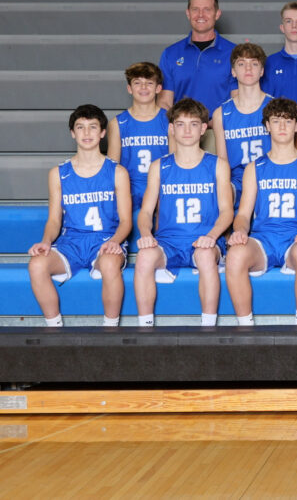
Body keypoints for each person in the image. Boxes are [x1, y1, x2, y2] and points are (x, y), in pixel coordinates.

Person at [225, 98, 297, 326]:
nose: (282, 126)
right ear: (267, 126)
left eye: (288, 121)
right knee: (235, 254)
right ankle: (246, 328)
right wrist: (240, 231)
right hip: (264, 239)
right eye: (276, 121)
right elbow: (243, 215)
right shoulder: (255, 167)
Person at [28, 105, 132, 327]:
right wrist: (45, 242)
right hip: (71, 243)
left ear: (102, 133)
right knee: (36, 264)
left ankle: (111, 330)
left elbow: (126, 221)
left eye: (93, 127)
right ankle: (54, 330)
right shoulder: (58, 173)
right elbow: (54, 220)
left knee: (110, 263)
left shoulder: (117, 172)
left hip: (105, 240)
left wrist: (115, 241)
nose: (86, 133)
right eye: (80, 127)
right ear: (72, 133)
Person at [133, 98, 233, 327]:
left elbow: (227, 211)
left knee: (205, 255)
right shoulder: (159, 167)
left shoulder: (218, 165)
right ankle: (145, 327)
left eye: (193, 124)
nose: (187, 130)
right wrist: (146, 234)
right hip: (168, 242)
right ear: (171, 128)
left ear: (204, 128)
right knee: (145, 256)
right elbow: (146, 212)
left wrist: (212, 236)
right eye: (180, 124)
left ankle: (209, 326)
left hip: (205, 239)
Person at [212, 43, 273, 203]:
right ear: (233, 71)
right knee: (219, 194)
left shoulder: (275, 108)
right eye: (241, 64)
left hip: (270, 178)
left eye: (254, 63)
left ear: (262, 71)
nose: (248, 68)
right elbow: (223, 163)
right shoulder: (221, 114)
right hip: (237, 182)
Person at [158, 0, 236, 114]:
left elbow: (237, 100)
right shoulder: (170, 54)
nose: (200, 15)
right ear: (188, 13)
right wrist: (181, 123)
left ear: (217, 14)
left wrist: (216, 122)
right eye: (195, 9)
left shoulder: (234, 53)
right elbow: (164, 102)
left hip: (220, 125)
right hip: (181, 125)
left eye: (207, 10)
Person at [106, 62, 171, 212]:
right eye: (137, 83)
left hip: (162, 190)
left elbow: (175, 162)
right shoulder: (117, 123)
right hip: (129, 191)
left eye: (149, 83)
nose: (143, 87)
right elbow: (112, 168)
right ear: (129, 88)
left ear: (158, 88)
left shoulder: (169, 120)